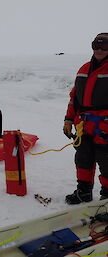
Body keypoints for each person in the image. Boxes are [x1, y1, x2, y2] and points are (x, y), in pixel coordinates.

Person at [64, 33, 108, 204]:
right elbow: (74, 98)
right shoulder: (84, 69)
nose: (99, 49)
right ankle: (83, 192)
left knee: (106, 162)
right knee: (83, 159)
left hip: (104, 127)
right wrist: (68, 119)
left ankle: (106, 197)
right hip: (83, 125)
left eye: (104, 46)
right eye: (96, 45)